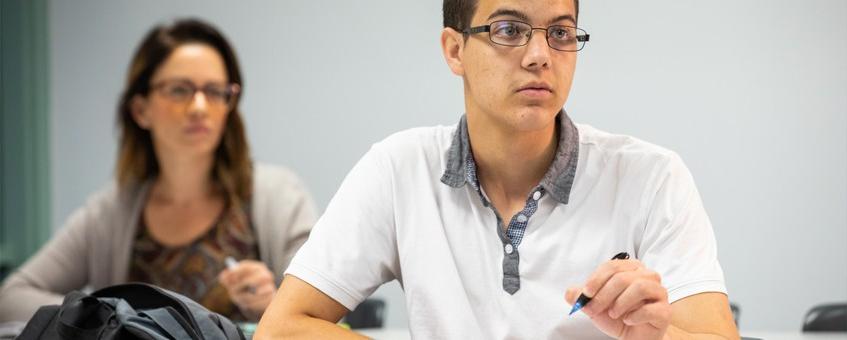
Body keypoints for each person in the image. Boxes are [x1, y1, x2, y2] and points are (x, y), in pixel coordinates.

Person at [255, 0, 739, 339]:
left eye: (561, 33)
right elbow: (281, 329)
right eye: (509, 30)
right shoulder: (399, 169)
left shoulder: (651, 177)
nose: (539, 56)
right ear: (454, 50)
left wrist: (657, 338)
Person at [0, 18, 317, 323]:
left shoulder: (279, 197)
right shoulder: (112, 212)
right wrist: (107, 316)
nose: (199, 107)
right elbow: (11, 297)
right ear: (140, 110)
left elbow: (320, 313)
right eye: (180, 90)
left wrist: (272, 304)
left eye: (215, 91)